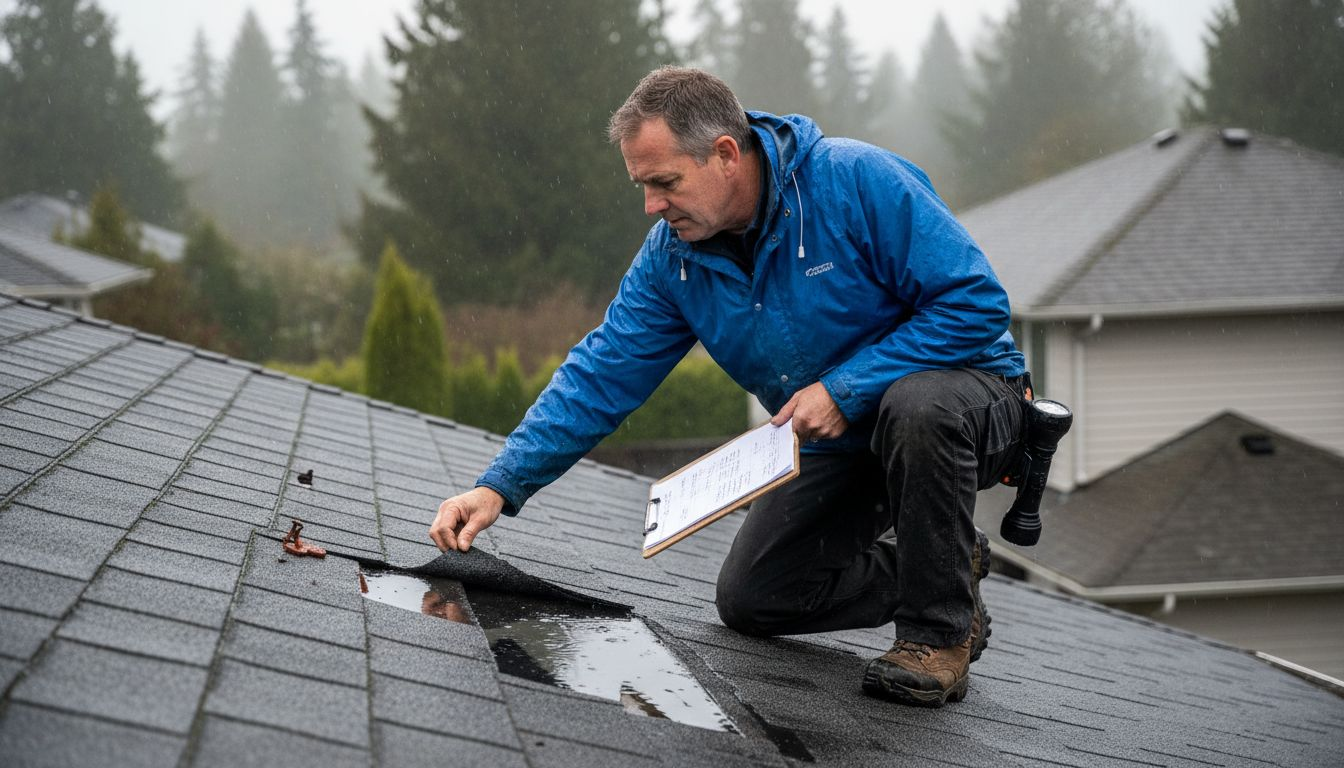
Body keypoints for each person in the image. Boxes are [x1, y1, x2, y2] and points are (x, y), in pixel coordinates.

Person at [429, 66, 1027, 707]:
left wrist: (847, 388)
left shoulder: (856, 181)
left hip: (968, 400)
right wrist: (500, 483)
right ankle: (944, 569)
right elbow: (600, 373)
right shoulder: (672, 259)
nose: (652, 205)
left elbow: (974, 305)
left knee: (917, 405)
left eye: (665, 183)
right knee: (754, 597)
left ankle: (938, 637)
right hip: (841, 437)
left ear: (724, 155)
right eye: (642, 186)